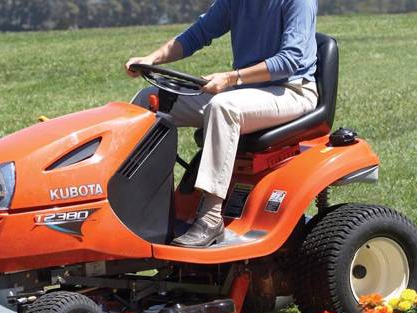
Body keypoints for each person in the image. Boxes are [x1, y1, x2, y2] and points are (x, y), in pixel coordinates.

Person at [125, 0, 320, 248]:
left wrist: (231, 78)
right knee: (149, 101)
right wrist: (152, 59)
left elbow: (289, 61)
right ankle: (144, 203)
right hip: (246, 90)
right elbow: (198, 33)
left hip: (291, 90)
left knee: (223, 107)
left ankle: (210, 218)